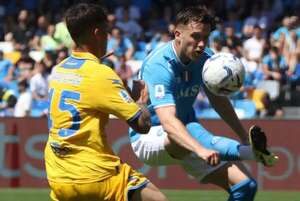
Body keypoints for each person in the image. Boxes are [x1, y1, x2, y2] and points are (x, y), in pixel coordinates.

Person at [129, 6, 278, 201]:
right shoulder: (159, 66)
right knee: (182, 135)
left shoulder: (205, 59)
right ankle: (249, 154)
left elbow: (219, 101)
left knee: (245, 186)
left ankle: (250, 150)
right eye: (195, 37)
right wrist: (199, 150)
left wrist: (243, 136)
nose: (201, 44)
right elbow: (168, 122)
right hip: (150, 135)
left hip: (188, 130)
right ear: (177, 34)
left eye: (205, 38)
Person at [44, 3, 169, 201]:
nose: (108, 36)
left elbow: (86, 90)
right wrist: (140, 100)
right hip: (95, 175)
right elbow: (142, 124)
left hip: (58, 175)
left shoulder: (60, 69)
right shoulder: (101, 74)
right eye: (106, 31)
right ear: (97, 33)